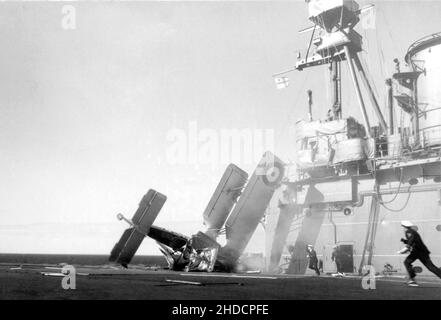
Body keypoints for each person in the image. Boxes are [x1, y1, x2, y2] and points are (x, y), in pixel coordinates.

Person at [399, 221, 441, 286]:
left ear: (405, 227)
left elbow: (411, 241)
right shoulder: (412, 232)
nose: (403, 228)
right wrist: (405, 241)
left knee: (430, 267)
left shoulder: (409, 231)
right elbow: (412, 241)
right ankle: (412, 279)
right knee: (407, 262)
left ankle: (412, 280)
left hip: (421, 252)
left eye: (403, 227)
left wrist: (405, 248)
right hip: (417, 252)